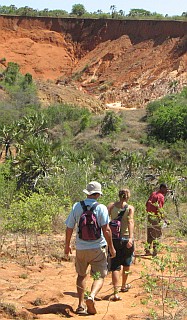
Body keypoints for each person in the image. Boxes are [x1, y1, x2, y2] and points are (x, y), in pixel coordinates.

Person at [64, 181, 116, 315]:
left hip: (81, 248)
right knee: (99, 276)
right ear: (98, 194)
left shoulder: (77, 206)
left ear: (87, 193)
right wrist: (111, 247)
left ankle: (80, 305)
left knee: (81, 275)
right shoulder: (102, 208)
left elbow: (69, 228)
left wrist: (67, 245)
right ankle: (92, 296)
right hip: (98, 247)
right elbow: (107, 230)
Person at [107, 188, 135, 301]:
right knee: (127, 263)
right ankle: (124, 285)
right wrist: (131, 238)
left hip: (114, 239)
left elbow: (105, 220)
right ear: (128, 196)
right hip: (125, 238)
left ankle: (115, 292)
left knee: (115, 265)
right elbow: (130, 222)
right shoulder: (130, 208)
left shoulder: (111, 206)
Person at [145, 183, 168, 257]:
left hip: (149, 216)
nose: (166, 190)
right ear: (162, 188)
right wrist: (164, 219)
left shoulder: (153, 194)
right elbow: (159, 209)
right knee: (157, 235)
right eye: (166, 189)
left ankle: (147, 250)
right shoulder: (160, 196)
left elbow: (146, 204)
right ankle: (155, 253)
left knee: (150, 234)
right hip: (155, 217)